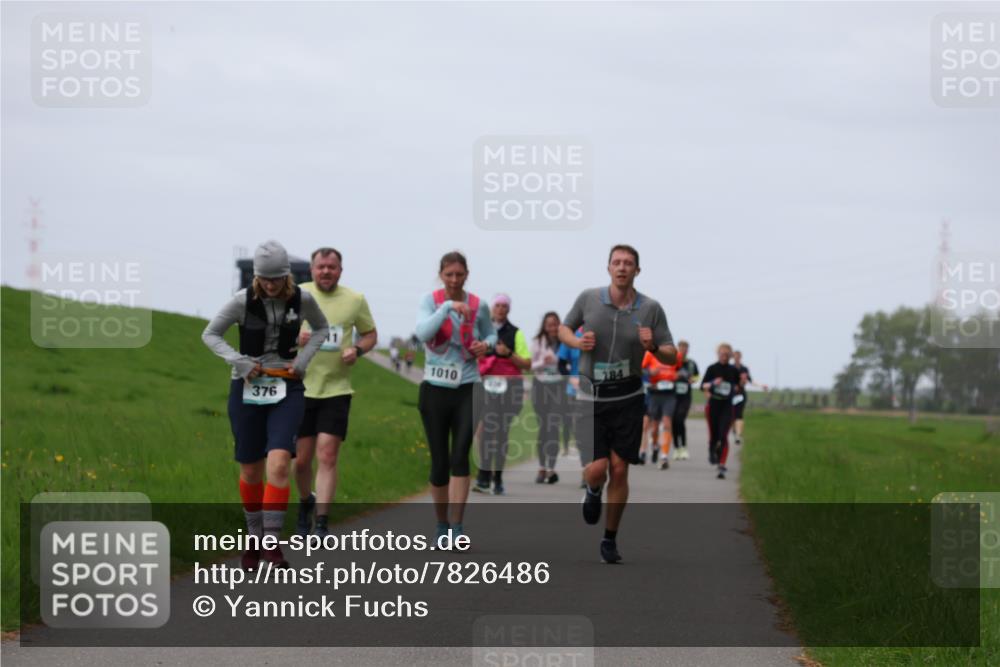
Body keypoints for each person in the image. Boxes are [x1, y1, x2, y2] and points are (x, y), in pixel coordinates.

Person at [201, 240, 330, 569]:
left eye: (276, 279)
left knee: (277, 465)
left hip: (287, 388)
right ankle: (254, 540)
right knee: (250, 469)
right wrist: (239, 361)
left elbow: (321, 330)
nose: (270, 285)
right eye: (264, 279)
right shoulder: (241, 301)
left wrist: (302, 363)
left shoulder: (302, 299)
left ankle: (272, 546)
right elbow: (211, 334)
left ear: (286, 276)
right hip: (246, 389)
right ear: (256, 276)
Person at [559, 244, 675, 564]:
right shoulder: (588, 299)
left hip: (628, 396)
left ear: (637, 270)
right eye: (616, 263)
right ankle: (593, 490)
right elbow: (564, 329)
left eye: (628, 264)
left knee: (620, 469)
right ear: (608, 268)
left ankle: (609, 539)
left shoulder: (650, 308)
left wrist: (653, 346)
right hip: (591, 395)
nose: (622, 268)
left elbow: (671, 354)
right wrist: (575, 341)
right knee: (597, 469)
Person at [293, 247, 377, 539]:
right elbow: (274, 329)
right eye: (321, 267)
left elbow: (370, 334)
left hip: (337, 389)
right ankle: (306, 503)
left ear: (340, 270)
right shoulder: (297, 293)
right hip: (300, 388)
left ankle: (323, 523)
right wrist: (295, 336)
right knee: (300, 462)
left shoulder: (355, 300)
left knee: (327, 455)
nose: (326, 271)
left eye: (332, 267)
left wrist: (358, 349)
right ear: (312, 270)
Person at [415, 251, 496, 546]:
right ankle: (441, 525)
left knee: (460, 455)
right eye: (448, 275)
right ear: (441, 274)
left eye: (459, 275)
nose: (453, 280)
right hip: (435, 389)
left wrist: (484, 345)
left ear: (466, 275)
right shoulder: (431, 301)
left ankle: (457, 528)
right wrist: (448, 306)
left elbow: (492, 335)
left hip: (468, 387)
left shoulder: (479, 305)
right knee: (439, 462)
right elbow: (423, 332)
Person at [473, 294, 530, 495]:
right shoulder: (480, 331)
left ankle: (497, 477)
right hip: (485, 387)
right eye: (497, 305)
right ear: (491, 308)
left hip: (509, 390)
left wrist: (508, 354)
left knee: (500, 433)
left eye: (504, 306)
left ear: (509, 309)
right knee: (486, 431)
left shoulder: (516, 333)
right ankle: (483, 475)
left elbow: (527, 363)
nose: (500, 309)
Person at [530, 311, 566, 484]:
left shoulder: (564, 342)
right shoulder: (538, 342)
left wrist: (557, 359)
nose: (552, 327)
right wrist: (543, 361)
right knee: (543, 428)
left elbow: (569, 363)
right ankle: (541, 467)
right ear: (544, 326)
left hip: (558, 386)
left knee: (553, 427)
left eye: (555, 324)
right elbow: (532, 365)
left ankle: (551, 468)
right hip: (541, 386)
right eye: (549, 324)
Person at [701, 343, 744, 479]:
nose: (724, 357)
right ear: (718, 354)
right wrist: (713, 383)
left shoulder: (733, 371)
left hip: (727, 406)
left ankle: (722, 466)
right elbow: (703, 386)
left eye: (727, 354)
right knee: (714, 436)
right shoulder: (712, 368)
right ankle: (712, 449)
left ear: (730, 356)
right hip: (713, 406)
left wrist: (740, 384)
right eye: (722, 354)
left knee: (723, 435)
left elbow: (738, 387)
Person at [641, 347, 679, 470]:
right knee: (655, 427)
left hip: (669, 394)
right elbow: (641, 369)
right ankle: (655, 446)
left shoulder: (674, 353)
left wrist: (678, 375)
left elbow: (679, 368)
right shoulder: (650, 354)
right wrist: (650, 373)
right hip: (655, 393)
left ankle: (664, 457)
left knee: (667, 423)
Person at [557, 327, 584, 486]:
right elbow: (561, 364)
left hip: (599, 390)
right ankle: (585, 470)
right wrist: (570, 379)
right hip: (575, 390)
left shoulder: (602, 331)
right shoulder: (572, 336)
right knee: (580, 430)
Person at [670, 340, 700, 460]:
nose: (683, 350)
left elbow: (697, 376)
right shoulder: (672, 361)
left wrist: (693, 380)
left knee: (680, 419)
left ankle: (684, 447)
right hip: (672, 396)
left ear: (688, 350)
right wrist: (673, 377)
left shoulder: (691, 363)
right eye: (681, 348)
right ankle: (676, 448)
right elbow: (665, 373)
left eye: (685, 348)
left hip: (685, 397)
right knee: (673, 422)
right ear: (678, 349)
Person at [731, 350, 766, 446]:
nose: (737, 358)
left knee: (739, 415)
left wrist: (761, 386)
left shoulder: (744, 369)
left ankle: (738, 435)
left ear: (740, 357)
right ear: (733, 357)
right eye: (735, 356)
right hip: (731, 395)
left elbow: (750, 381)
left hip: (741, 394)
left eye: (738, 356)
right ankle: (735, 431)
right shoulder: (730, 368)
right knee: (732, 416)